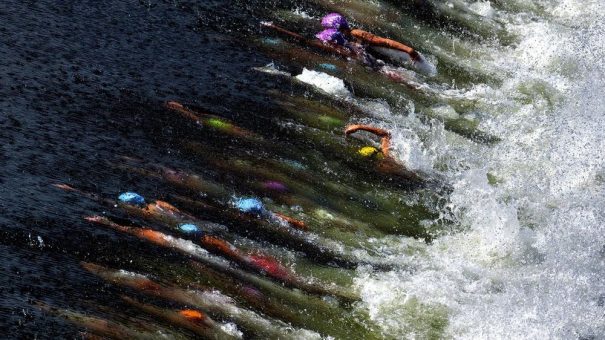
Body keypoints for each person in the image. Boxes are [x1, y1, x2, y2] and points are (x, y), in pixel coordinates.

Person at [316, 13, 421, 69]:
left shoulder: (356, 33)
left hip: (382, 64)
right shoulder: (339, 39)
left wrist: (409, 50)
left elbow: (385, 42)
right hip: (371, 64)